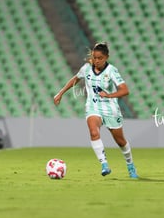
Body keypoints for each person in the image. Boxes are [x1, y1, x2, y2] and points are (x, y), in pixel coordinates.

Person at [54, 42, 138, 178]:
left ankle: (130, 165)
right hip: (93, 107)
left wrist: (109, 95)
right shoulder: (86, 68)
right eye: (94, 57)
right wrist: (60, 93)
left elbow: (125, 90)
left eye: (100, 58)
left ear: (106, 58)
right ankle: (104, 164)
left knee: (120, 141)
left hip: (110, 109)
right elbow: (75, 79)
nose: (96, 61)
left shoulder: (112, 70)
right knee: (94, 132)